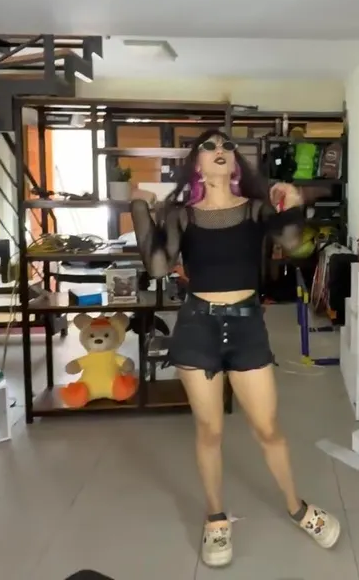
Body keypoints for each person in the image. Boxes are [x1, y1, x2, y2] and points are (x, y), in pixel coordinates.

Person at [130, 129, 340, 568]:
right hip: (197, 328)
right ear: (197, 165)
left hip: (247, 329)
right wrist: (139, 207)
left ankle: (297, 508)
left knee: (268, 429)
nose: (220, 150)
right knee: (209, 431)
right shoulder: (182, 216)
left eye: (226, 145)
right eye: (208, 147)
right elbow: (157, 266)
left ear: (235, 163)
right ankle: (215, 519)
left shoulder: (255, 210)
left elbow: (293, 244)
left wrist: (293, 201)